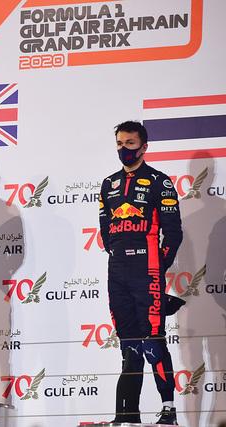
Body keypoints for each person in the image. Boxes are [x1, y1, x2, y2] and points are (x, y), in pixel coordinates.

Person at [99, 121, 183, 424]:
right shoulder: (108, 183)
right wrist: (117, 254)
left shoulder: (160, 182)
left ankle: (168, 410)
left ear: (144, 147)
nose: (124, 149)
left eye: (130, 144)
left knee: (153, 340)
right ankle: (127, 414)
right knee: (128, 343)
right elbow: (105, 230)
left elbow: (173, 233)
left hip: (147, 270)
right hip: (117, 271)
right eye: (120, 143)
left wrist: (158, 268)